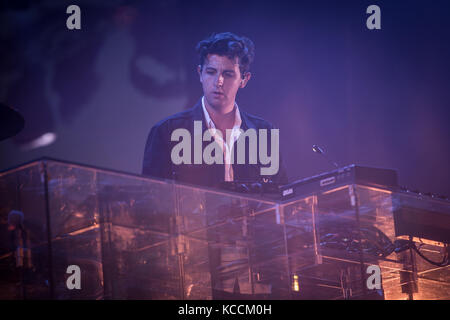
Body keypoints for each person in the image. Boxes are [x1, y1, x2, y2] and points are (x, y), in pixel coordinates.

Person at [142, 32, 288, 189]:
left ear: (244, 80)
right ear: (200, 74)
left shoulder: (263, 133)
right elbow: (151, 202)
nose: (218, 82)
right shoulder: (167, 132)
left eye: (228, 74)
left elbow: (283, 197)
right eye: (211, 72)